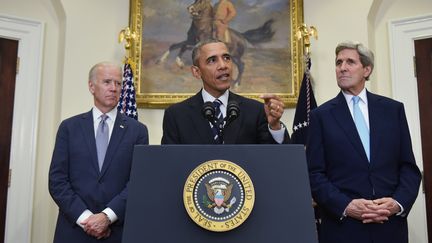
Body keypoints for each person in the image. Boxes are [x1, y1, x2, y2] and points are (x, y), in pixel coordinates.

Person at [306, 41, 421, 243]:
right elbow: (314, 174)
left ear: (367, 70)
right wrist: (346, 206)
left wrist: (397, 203)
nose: (342, 67)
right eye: (338, 62)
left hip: (389, 226)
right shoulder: (320, 116)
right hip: (343, 229)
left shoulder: (393, 110)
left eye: (350, 62)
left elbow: (409, 168)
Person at [48, 62, 149, 242]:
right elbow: (57, 181)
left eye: (118, 84)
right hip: (74, 230)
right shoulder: (69, 128)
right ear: (91, 86)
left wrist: (106, 217)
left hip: (118, 232)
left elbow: (138, 181)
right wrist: (86, 219)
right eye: (107, 82)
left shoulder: (137, 131)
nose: (114, 88)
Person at [161, 39, 290, 144]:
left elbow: (276, 161)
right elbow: (170, 165)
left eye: (227, 58)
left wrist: (275, 126)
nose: (223, 65)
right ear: (196, 72)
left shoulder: (255, 111)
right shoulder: (177, 115)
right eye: (212, 60)